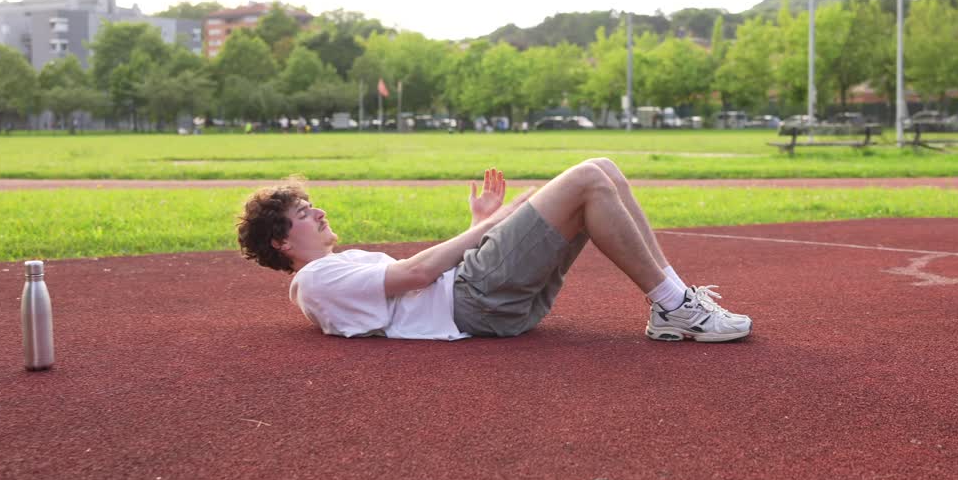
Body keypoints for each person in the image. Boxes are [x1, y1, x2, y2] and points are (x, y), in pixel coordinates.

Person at [236, 158, 751, 343]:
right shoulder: (314, 281)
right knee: (590, 177)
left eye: (312, 205)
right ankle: (676, 306)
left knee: (605, 171)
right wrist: (495, 226)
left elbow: (417, 285)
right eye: (303, 213)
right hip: (475, 299)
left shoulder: (336, 268)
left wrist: (478, 226)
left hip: (481, 299)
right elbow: (417, 276)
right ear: (281, 242)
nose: (318, 212)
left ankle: (677, 302)